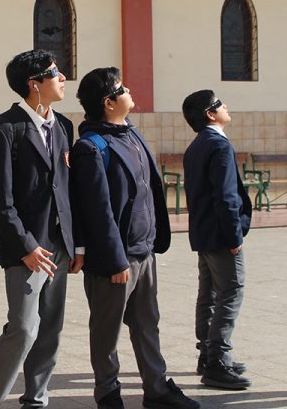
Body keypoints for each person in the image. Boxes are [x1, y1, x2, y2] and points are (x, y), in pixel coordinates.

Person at [70, 68, 200, 409]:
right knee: (106, 331)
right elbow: (97, 212)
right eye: (123, 88)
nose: (131, 91)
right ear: (109, 102)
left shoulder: (132, 134)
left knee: (147, 325)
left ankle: (156, 390)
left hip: (144, 251)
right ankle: (108, 394)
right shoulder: (91, 147)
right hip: (116, 259)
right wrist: (115, 260)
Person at [0, 50, 83, 409]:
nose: (63, 77)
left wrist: (76, 243)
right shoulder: (3, 131)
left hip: (60, 245)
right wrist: (26, 245)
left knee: (51, 326)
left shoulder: (64, 126)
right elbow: (0, 200)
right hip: (27, 248)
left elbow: (68, 189)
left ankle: (37, 398)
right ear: (34, 84)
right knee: (23, 327)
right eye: (54, 73)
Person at [181, 90, 252, 390]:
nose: (227, 106)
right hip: (221, 236)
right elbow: (226, 196)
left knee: (208, 295)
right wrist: (234, 235)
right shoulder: (219, 146)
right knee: (230, 293)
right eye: (221, 104)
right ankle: (218, 362)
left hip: (203, 233)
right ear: (211, 114)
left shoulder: (196, 145)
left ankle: (207, 353)